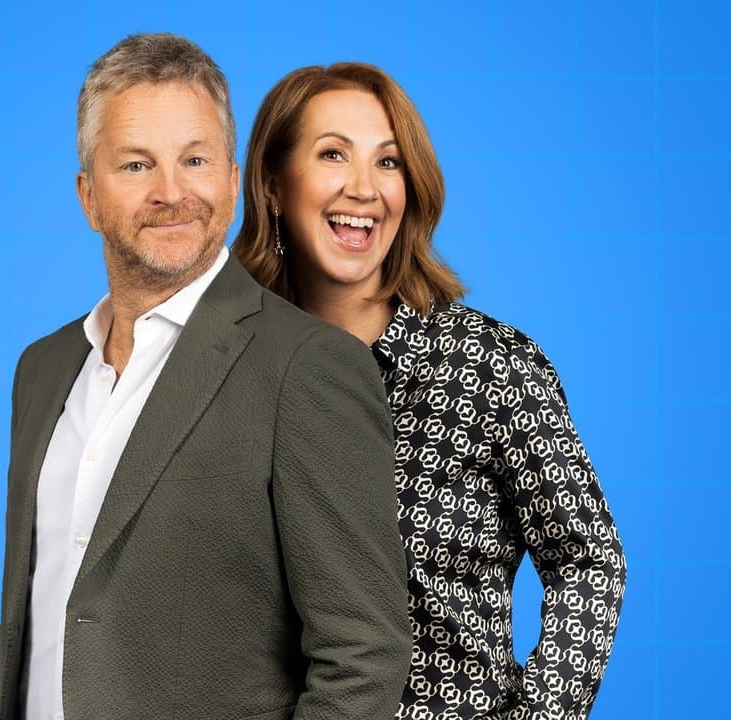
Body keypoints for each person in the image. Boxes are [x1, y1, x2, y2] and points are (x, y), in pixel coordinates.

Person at [0, 35, 413, 720]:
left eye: (195, 159)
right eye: (136, 164)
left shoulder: (308, 366)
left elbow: (365, 653)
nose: (171, 192)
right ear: (88, 196)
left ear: (231, 177)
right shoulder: (42, 369)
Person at [233, 63, 626, 719]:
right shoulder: (230, 366)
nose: (364, 188)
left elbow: (588, 559)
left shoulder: (488, 365)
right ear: (274, 184)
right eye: (333, 154)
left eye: (388, 162)